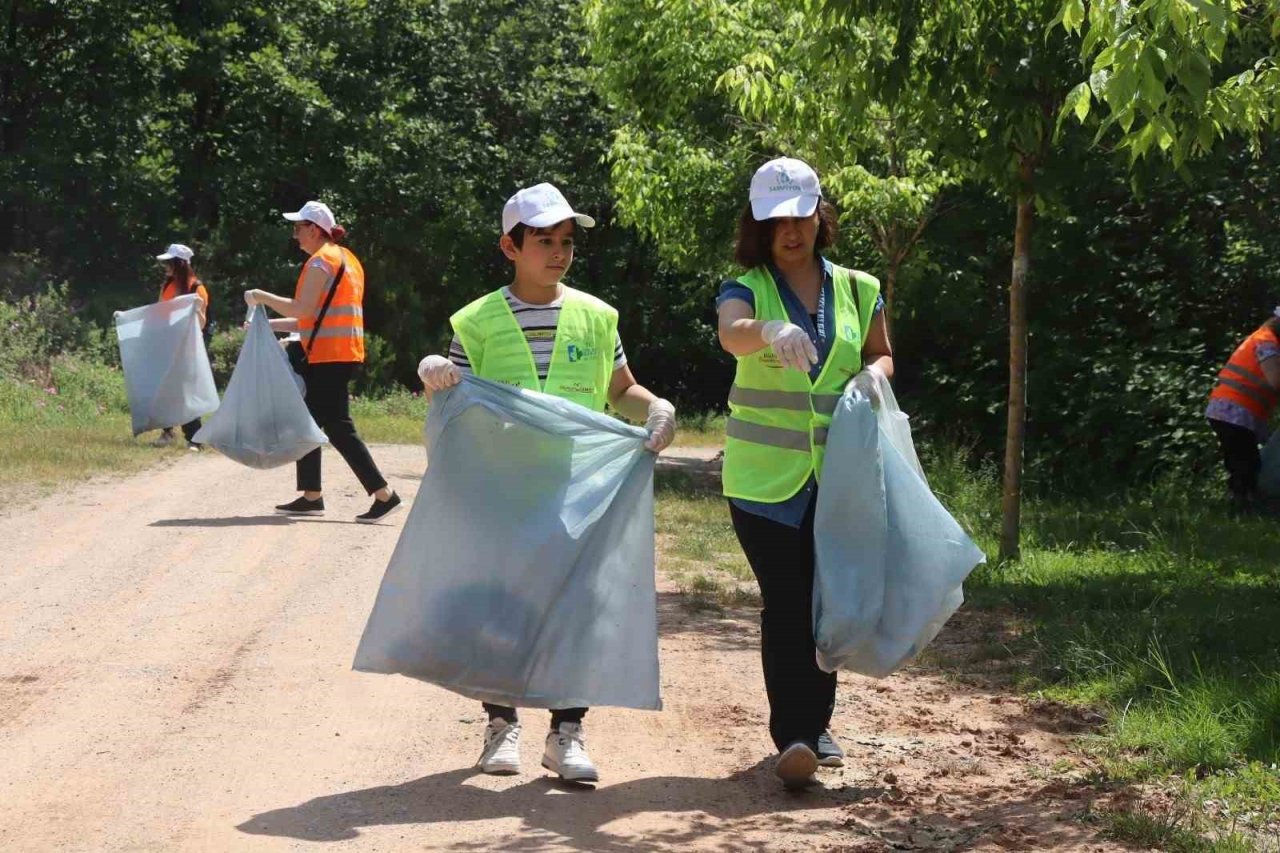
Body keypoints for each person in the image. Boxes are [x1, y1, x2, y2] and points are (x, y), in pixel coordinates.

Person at [417, 182, 677, 784]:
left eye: (566, 242)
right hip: (500, 485)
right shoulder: (477, 321)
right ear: (510, 246)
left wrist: (655, 406)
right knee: (501, 604)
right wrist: (436, 374)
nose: (558, 253)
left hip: (577, 485)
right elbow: (455, 393)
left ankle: (566, 732)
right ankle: (501, 724)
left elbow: (620, 389)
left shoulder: (596, 315)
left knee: (574, 607)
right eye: (544, 241)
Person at [716, 157, 894, 789]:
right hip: (762, 483)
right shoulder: (747, 286)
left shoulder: (858, 287)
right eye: (775, 221)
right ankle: (792, 734)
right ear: (758, 228)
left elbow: (881, 353)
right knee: (787, 603)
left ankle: (817, 725)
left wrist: (876, 374)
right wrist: (769, 329)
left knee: (828, 600)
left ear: (822, 215)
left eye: (801, 216)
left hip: (840, 477)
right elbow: (731, 335)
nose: (790, 231)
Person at [244, 201, 401, 524]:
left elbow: (300, 310)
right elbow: (312, 318)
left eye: (298, 228)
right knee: (308, 423)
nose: (295, 235)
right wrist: (266, 325)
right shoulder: (346, 260)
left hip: (330, 355)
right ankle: (311, 495)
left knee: (337, 427)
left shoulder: (320, 263)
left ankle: (384, 495)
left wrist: (260, 296)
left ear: (314, 229)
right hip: (339, 352)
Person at [1205, 307, 1280, 514]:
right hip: (1233, 410)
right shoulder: (1267, 342)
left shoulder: (1266, 338)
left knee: (1244, 462)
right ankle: (1240, 510)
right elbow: (1276, 381)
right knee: (1245, 464)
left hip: (1232, 410)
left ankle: (1240, 508)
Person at [153, 243, 210, 450]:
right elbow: (160, 311)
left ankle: (195, 438)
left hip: (188, 348)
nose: (166, 267)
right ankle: (167, 432)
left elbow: (201, 324)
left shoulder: (197, 289)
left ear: (181, 264)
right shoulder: (167, 285)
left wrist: (196, 309)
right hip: (168, 344)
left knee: (187, 392)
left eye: (169, 263)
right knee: (166, 389)